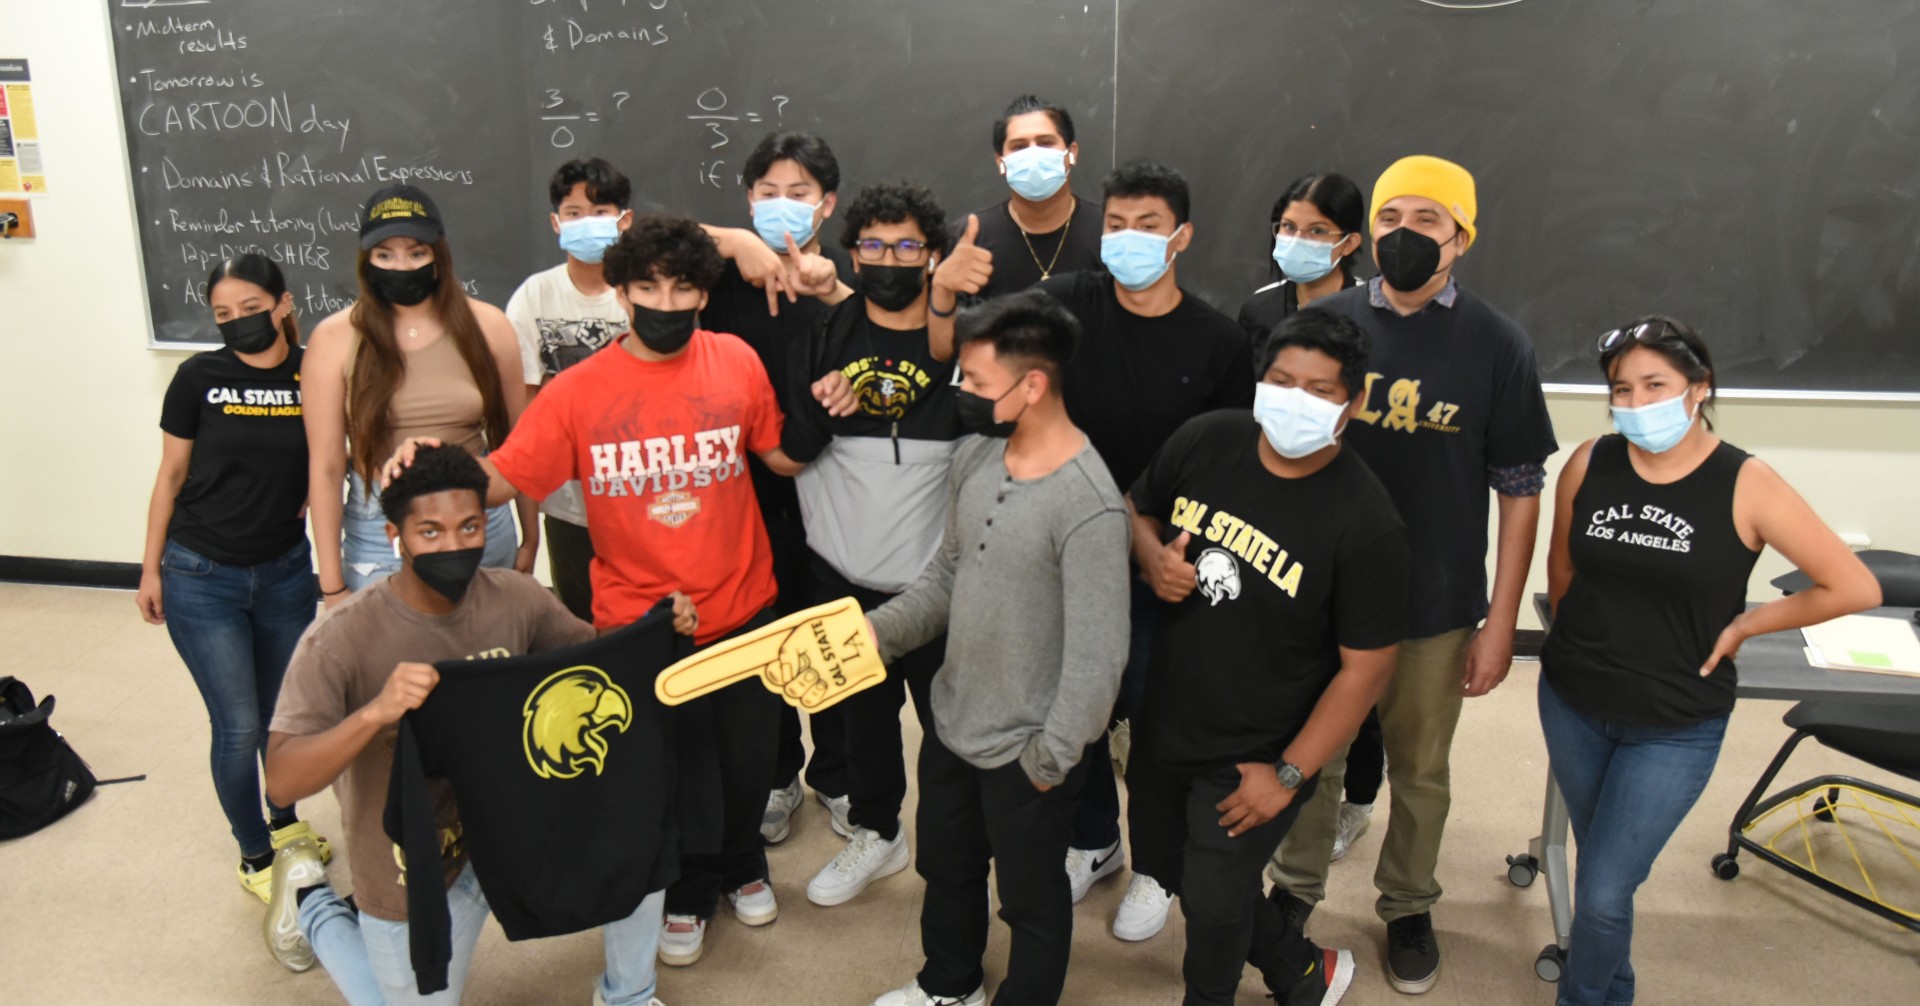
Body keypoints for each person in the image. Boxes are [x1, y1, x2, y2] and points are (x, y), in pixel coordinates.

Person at [384, 215, 810, 969]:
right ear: (620, 293)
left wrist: (839, 393)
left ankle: (745, 863)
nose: (665, 303)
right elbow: (504, 477)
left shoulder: (737, 361)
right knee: (671, 772)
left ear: (703, 294)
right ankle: (687, 890)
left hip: (743, 606)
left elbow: (780, 456)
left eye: (682, 288)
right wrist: (428, 460)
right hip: (641, 624)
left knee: (749, 759)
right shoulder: (578, 392)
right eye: (648, 287)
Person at [937, 159, 1255, 941]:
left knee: (1154, 725)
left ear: (1183, 236)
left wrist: (1159, 549)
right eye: (1115, 224)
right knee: (1069, 710)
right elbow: (983, 351)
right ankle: (1094, 839)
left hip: (1162, 568)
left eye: (1148, 225)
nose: (1128, 238)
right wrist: (944, 291)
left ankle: (1156, 869)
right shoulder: (1066, 302)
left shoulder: (1219, 341)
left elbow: (1227, 465)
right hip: (1060, 554)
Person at [1264, 155, 1558, 996]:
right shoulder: (1327, 323)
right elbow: (1278, 452)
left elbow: (1519, 490)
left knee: (1420, 768)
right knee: (1310, 757)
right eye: (1390, 218)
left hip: (1434, 601)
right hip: (1322, 595)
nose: (1404, 234)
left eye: (1427, 220)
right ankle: (1295, 890)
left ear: (1462, 238)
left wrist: (1500, 623)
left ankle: (1407, 904)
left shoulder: (1498, 344)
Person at [260, 444, 692, 1005]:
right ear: (395, 536)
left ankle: (629, 995)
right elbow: (282, 782)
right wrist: (375, 712)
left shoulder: (517, 598)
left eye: (469, 526)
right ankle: (315, 906)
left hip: (517, 829)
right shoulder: (341, 638)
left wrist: (658, 625)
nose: (454, 545)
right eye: (430, 532)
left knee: (634, 834)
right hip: (415, 867)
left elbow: (595, 665)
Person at [1540, 317, 1879, 1006]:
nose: (1637, 403)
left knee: (1601, 892)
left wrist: (1751, 621)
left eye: (1654, 385)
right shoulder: (1590, 461)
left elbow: (1853, 585)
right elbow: (1564, 570)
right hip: (1574, 703)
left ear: (1699, 388)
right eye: (1621, 389)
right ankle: (1615, 986)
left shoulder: (1746, 481)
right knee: (1605, 874)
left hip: (1674, 723)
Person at [1127, 308, 1409, 1006]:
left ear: (1353, 403)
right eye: (1282, 381)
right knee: (1169, 867)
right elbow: (1137, 507)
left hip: (1259, 748)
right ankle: (1302, 970)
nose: (1294, 400)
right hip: (1166, 720)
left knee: (1214, 902)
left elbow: (1367, 670)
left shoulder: (1367, 521)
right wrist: (1152, 558)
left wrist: (1288, 775)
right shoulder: (1208, 438)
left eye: (1318, 390)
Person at [866, 290, 1130, 1006]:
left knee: (1030, 900)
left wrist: (1050, 759)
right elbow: (947, 574)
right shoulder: (978, 456)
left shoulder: (1090, 505)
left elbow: (1099, 658)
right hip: (954, 719)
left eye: (977, 381)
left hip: (1029, 751)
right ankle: (949, 984)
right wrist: (876, 633)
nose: (964, 393)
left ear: (1032, 385)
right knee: (946, 868)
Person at [779, 181, 965, 908]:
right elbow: (792, 448)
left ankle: (954, 853)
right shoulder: (824, 333)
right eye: (875, 246)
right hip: (843, 570)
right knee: (863, 721)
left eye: (907, 245)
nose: (890, 260)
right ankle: (878, 831)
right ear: (852, 255)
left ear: (934, 255)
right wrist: (824, 411)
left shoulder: (964, 337)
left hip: (939, 581)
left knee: (951, 729)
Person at [136, 253, 330, 903]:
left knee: (282, 718)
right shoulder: (199, 377)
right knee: (239, 724)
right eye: (223, 314)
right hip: (201, 573)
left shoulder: (313, 371)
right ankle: (255, 853)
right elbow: (170, 476)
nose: (238, 321)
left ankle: (284, 823)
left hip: (284, 574)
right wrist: (149, 569)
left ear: (283, 304)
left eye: (251, 308)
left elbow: (330, 459)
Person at [697, 131, 860, 846]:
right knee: (761, 633)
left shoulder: (843, 280)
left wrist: (831, 288)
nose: (783, 205)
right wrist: (735, 240)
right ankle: (777, 772)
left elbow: (889, 345)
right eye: (768, 193)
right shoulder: (721, 272)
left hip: (833, 485)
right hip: (742, 489)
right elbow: (634, 247)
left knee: (827, 631)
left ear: (827, 204)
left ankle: (839, 772)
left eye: (800, 194)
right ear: (747, 199)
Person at [303, 184, 536, 605]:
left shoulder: (488, 326)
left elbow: (517, 442)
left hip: (479, 516)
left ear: (438, 254)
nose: (402, 266)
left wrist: (531, 538)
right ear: (367, 260)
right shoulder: (334, 338)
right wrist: (331, 584)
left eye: (416, 253)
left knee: (487, 640)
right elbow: (326, 466)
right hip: (380, 527)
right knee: (392, 645)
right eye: (385, 255)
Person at [506, 157, 635, 622]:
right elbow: (523, 409)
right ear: (556, 222)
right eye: (574, 213)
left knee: (646, 618)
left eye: (600, 213)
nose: (587, 223)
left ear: (625, 220)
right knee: (579, 622)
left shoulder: (644, 293)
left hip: (639, 494)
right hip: (567, 503)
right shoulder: (534, 296)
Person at [964, 95, 1103, 297]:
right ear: (1000, 162)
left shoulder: (1109, 231)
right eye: (1019, 147)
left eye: (1045, 143)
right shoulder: (972, 239)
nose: (1033, 155)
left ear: (1071, 153)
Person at [1237, 172, 1369, 373]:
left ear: (1349, 243)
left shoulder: (1369, 310)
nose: (1298, 240)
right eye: (1289, 226)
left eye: (1317, 231)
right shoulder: (1259, 309)